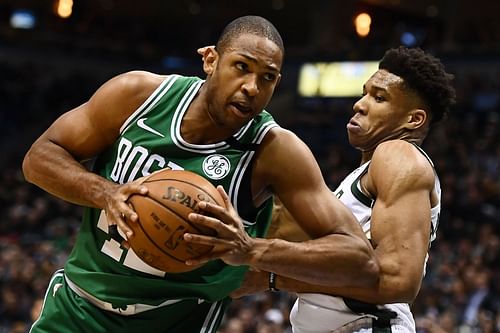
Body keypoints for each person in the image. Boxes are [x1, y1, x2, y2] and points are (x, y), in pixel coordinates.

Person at [22, 15, 378, 333]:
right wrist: (107, 193)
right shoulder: (139, 95)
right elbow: (40, 157)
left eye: (267, 78)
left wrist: (252, 249)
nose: (253, 87)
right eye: (242, 67)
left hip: (175, 320)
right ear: (210, 60)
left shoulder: (275, 151)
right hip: (76, 308)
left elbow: (359, 259)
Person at [182, 46, 456, 332]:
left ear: (413, 120)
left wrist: (271, 277)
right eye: (364, 92)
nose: (359, 104)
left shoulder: (398, 154)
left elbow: (397, 281)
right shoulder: (366, 174)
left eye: (379, 98)